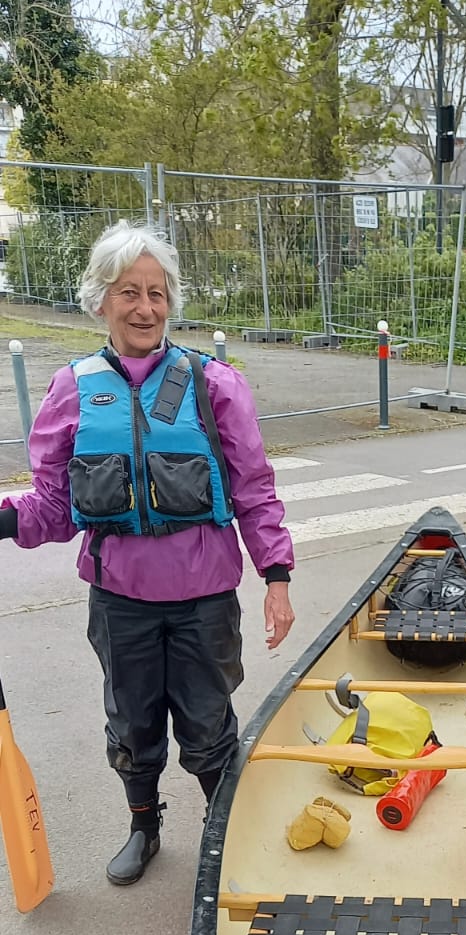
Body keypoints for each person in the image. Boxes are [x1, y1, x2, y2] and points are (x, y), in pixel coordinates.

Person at [0, 220, 295, 886]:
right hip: (121, 598)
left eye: (156, 293)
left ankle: (229, 837)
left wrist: (276, 575)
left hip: (205, 596)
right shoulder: (72, 391)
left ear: (171, 302)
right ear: (100, 299)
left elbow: (254, 488)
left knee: (208, 725)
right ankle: (144, 827)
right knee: (132, 727)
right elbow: (52, 508)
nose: (144, 307)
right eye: (128, 292)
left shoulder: (214, 384)